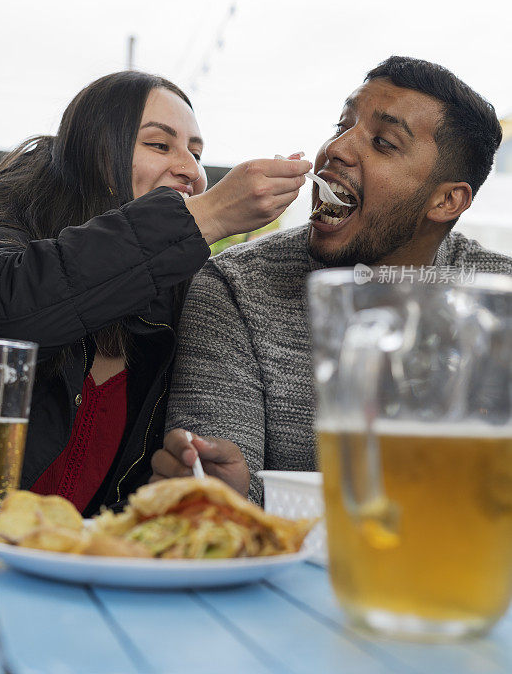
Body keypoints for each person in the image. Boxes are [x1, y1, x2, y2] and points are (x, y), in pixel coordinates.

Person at [152, 56, 512, 503]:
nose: (336, 149)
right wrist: (235, 491)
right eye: (342, 125)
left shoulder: (500, 301)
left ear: (446, 201)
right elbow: (219, 501)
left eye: (382, 142)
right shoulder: (235, 288)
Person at [0, 70, 311, 515]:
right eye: (159, 144)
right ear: (95, 155)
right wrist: (202, 218)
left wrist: (193, 483)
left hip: (77, 570)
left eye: (196, 153)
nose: (191, 171)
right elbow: (6, 311)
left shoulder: (178, 302)